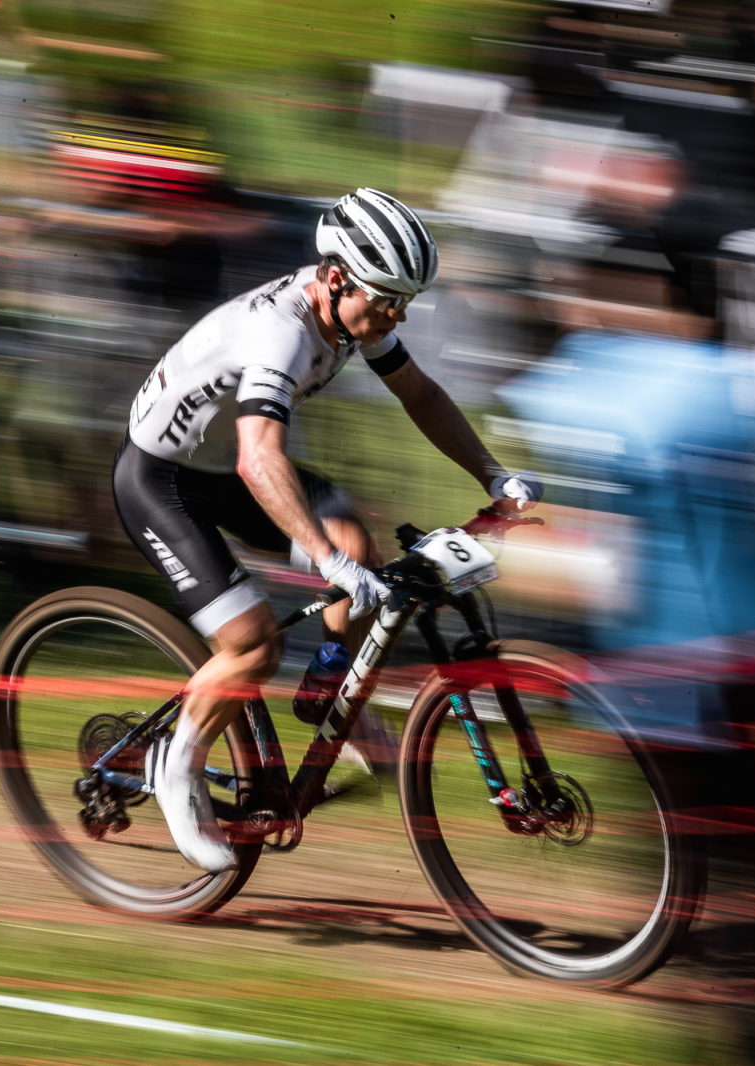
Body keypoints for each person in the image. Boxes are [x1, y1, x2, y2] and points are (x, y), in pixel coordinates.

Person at [112, 187, 542, 871]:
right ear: (337, 277)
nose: (398, 315)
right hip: (163, 480)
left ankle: (328, 689)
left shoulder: (349, 311)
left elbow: (421, 394)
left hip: (226, 467)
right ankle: (175, 766)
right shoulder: (281, 332)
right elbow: (258, 459)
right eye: (389, 300)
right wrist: (323, 559)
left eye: (406, 301)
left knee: (357, 546)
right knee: (253, 646)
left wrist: (493, 476)